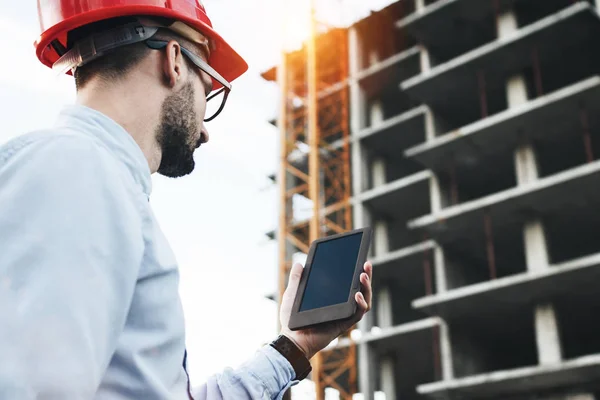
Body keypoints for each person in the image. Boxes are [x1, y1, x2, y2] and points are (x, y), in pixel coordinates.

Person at [0, 1, 374, 399]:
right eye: (208, 92)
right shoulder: (76, 171)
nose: (206, 132)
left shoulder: (92, 182)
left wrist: (294, 346)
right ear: (175, 61)